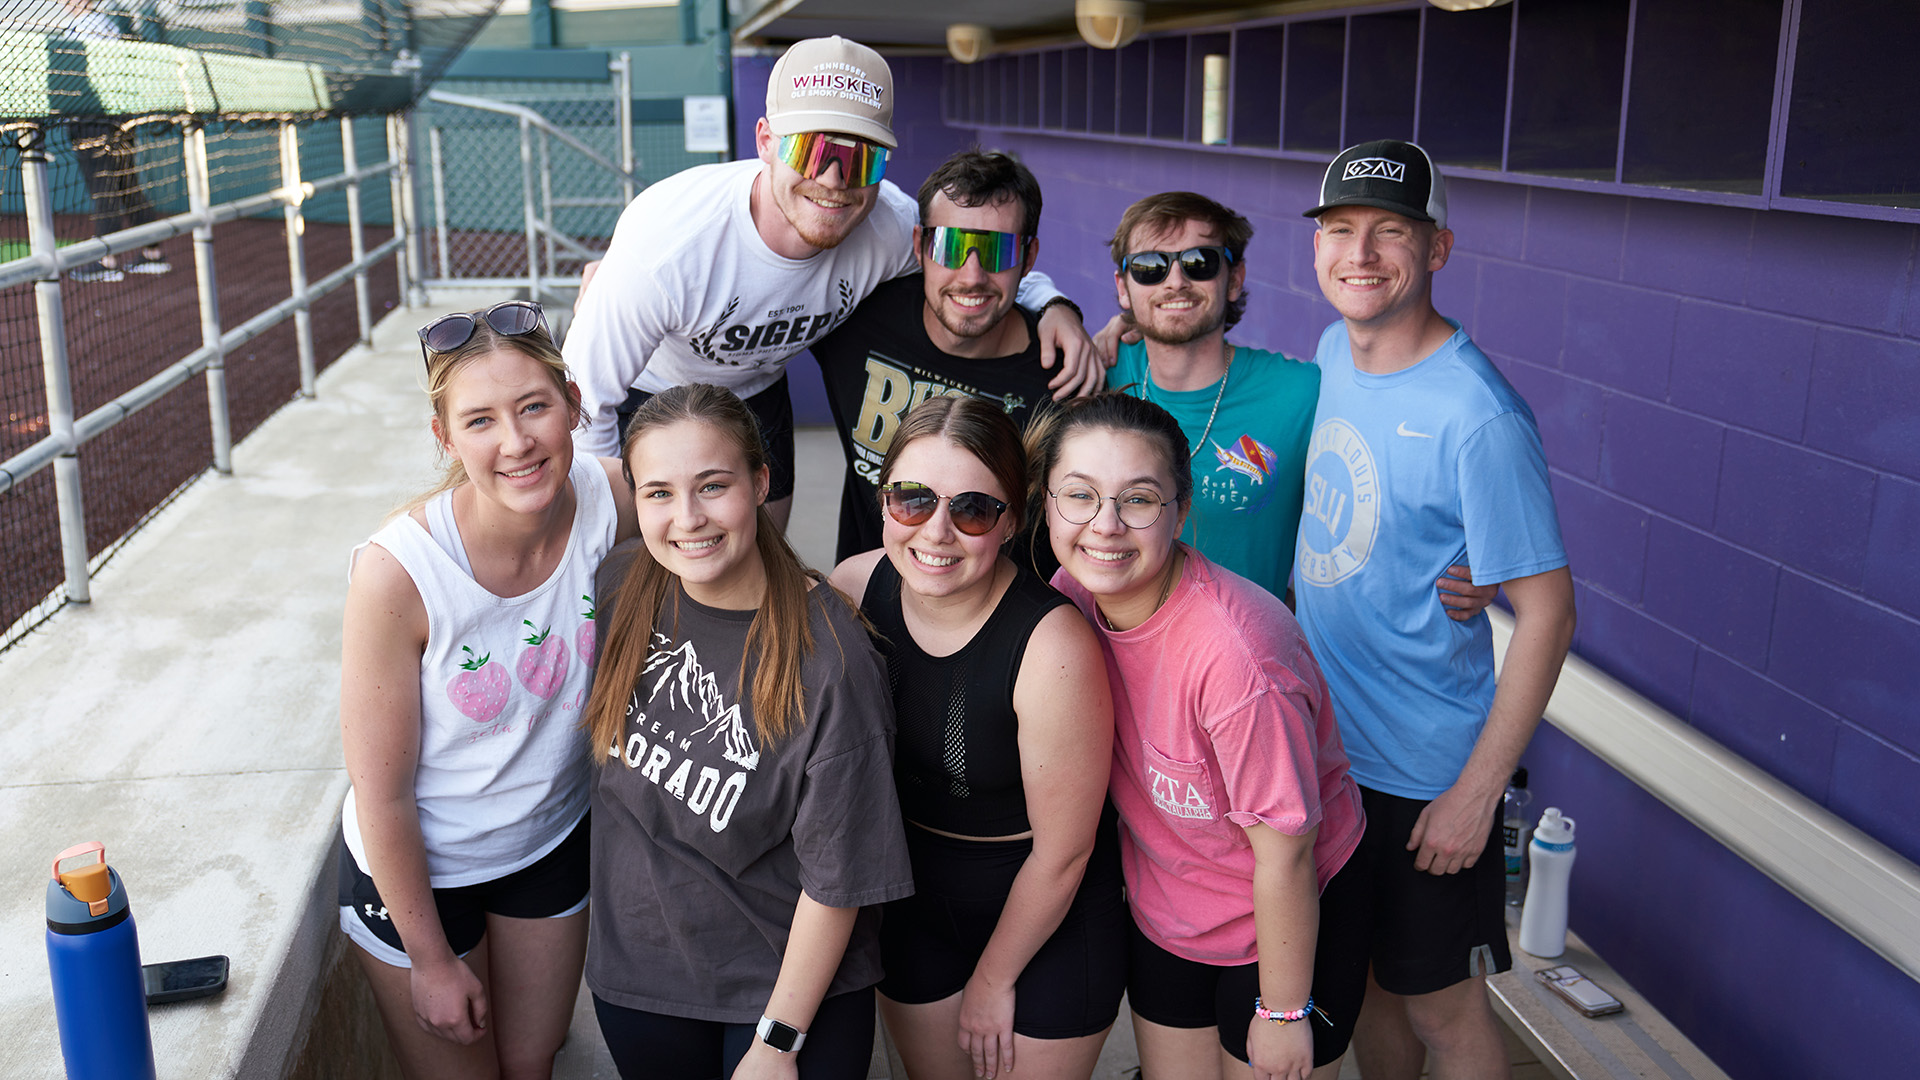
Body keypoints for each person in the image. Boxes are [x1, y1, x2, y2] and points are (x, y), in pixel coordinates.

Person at [1293, 139, 1578, 1080]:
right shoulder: (1333, 349)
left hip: (1423, 776)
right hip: (1331, 754)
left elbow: (1548, 613)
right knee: (1372, 983)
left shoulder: (1478, 412)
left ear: (1438, 250)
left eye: (1390, 232)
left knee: (1444, 1008)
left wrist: (1475, 793)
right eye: (1341, 229)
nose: (1360, 254)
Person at [564, 36, 1100, 532]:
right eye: (812, 152)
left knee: (761, 555)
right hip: (653, 387)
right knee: (646, 553)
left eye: (860, 157)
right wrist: (602, 529)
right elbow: (584, 403)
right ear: (767, 141)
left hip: (757, 389)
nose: (834, 181)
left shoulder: (887, 226)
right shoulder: (668, 243)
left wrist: (1051, 302)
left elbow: (973, 259)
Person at [336, 301, 637, 1080]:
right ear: (445, 438)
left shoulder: (606, 499)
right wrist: (430, 960)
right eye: (480, 421)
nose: (516, 443)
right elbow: (384, 795)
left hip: (547, 840)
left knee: (532, 1062)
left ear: (574, 403)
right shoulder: (399, 574)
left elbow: (709, 521)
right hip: (422, 874)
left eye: (534, 406)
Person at [1033, 392, 1371, 1080]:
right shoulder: (1070, 598)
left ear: (1181, 511)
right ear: (1047, 504)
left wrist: (1283, 1013)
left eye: (1139, 500)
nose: (1106, 524)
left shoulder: (1238, 658)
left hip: (1290, 908)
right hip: (1173, 904)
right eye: (1080, 495)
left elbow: (1286, 856)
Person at [583, 383, 914, 1080]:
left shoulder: (832, 659)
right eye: (659, 493)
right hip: (642, 977)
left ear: (761, 482)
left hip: (784, 988)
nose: (688, 518)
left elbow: (838, 881)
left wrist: (777, 1040)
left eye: (713, 485)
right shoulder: (619, 587)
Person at [828, 397, 1126, 1080]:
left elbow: (1065, 851)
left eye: (971, 510)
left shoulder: (1053, 646)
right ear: (882, 501)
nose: (936, 532)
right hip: (912, 901)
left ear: (1011, 519)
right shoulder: (852, 588)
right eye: (911, 500)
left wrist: (993, 981)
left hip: (1047, 909)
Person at [813, 149, 1068, 574]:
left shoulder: (1062, 377)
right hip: (865, 608)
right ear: (919, 245)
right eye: (952, 246)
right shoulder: (858, 320)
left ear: (1029, 257)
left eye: (997, 251)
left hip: (995, 628)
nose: (971, 276)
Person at [60, 0, 170, 282]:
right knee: (125, 186)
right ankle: (152, 254)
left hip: (95, 120)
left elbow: (78, 80)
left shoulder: (86, 26)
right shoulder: (105, 23)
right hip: (117, 118)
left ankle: (106, 260)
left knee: (104, 186)